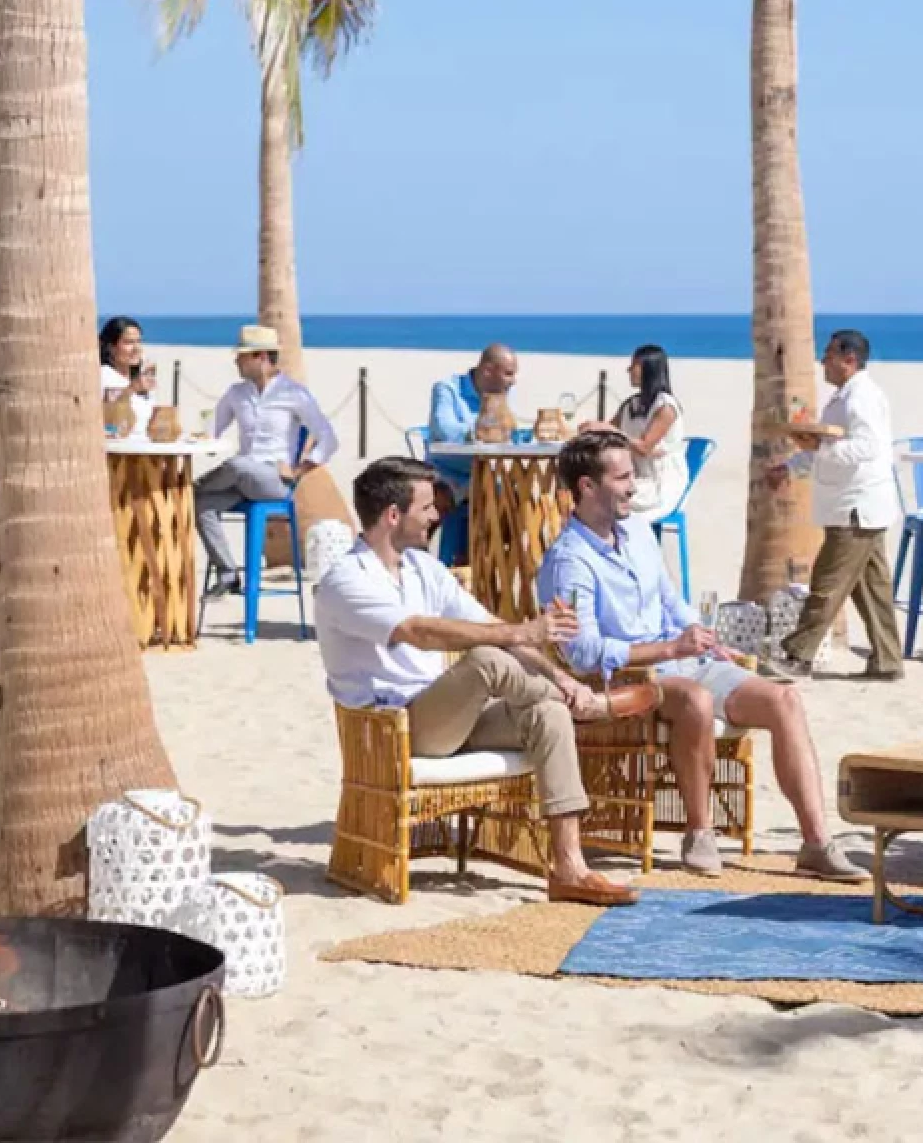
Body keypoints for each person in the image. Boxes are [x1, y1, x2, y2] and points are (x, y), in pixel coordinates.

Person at [314, 457, 648, 906]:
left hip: (450, 718)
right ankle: (594, 710)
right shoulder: (345, 581)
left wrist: (562, 680)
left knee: (547, 712)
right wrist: (520, 632)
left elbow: (491, 624)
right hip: (395, 728)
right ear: (393, 516)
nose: (437, 516)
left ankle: (570, 868)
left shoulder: (422, 568)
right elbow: (420, 632)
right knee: (489, 658)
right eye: (428, 507)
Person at [538, 429, 863, 882]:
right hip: (622, 679)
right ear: (587, 487)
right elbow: (583, 652)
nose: (634, 486)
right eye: (623, 477)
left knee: (783, 699)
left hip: (680, 661)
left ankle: (815, 843)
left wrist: (703, 637)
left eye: (633, 475)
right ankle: (699, 830)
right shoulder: (568, 560)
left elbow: (671, 601)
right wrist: (670, 648)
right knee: (694, 698)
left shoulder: (635, 532)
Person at [765, 329, 902, 680]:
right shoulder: (843, 398)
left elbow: (867, 447)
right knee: (872, 589)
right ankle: (888, 661)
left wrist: (820, 447)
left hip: (857, 506)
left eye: (828, 355)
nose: (823, 362)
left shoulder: (862, 398)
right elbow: (824, 446)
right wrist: (792, 466)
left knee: (827, 584)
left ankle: (797, 656)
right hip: (853, 504)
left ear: (849, 359)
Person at [195, 324, 339, 598]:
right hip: (241, 480)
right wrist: (199, 438)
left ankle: (193, 486)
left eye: (242, 356)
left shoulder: (294, 393)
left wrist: (298, 470)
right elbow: (211, 432)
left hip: (274, 480)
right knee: (200, 504)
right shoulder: (236, 393)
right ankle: (227, 572)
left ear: (261, 357)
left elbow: (328, 439)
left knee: (237, 465)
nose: (236, 361)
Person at [595, 344, 689, 524]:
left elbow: (645, 447)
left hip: (660, 483)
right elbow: (606, 430)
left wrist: (613, 432)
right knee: (590, 486)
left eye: (635, 365)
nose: (629, 370)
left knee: (602, 492)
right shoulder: (631, 404)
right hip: (635, 476)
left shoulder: (666, 407)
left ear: (649, 368)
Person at [427, 342, 518, 499]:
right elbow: (443, 429)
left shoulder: (501, 393)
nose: (513, 381)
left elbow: (506, 430)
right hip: (449, 474)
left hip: (486, 473)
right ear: (488, 370)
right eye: (508, 374)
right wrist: (480, 433)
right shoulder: (447, 389)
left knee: (518, 498)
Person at [98, 315, 156, 436]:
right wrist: (131, 389)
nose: (137, 348)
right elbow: (109, 421)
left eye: (139, 341)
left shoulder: (138, 380)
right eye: (128, 342)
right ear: (111, 347)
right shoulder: (103, 374)